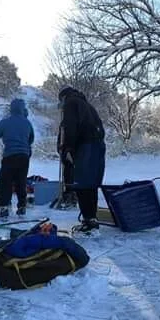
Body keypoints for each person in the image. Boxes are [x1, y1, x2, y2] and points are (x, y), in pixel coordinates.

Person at [58, 86, 107, 233]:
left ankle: (88, 222)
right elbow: (101, 129)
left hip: (85, 146)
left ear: (63, 98)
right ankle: (92, 218)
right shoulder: (88, 106)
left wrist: (68, 148)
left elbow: (70, 127)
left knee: (81, 183)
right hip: (98, 145)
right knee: (91, 183)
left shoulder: (70, 103)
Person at [0, 98, 35, 217]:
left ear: (11, 108)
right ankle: (21, 207)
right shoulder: (27, 123)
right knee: (21, 181)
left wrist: (3, 142)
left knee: (5, 181)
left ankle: (4, 207)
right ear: (22, 108)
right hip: (24, 157)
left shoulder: (5, 122)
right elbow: (31, 139)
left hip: (9, 155)